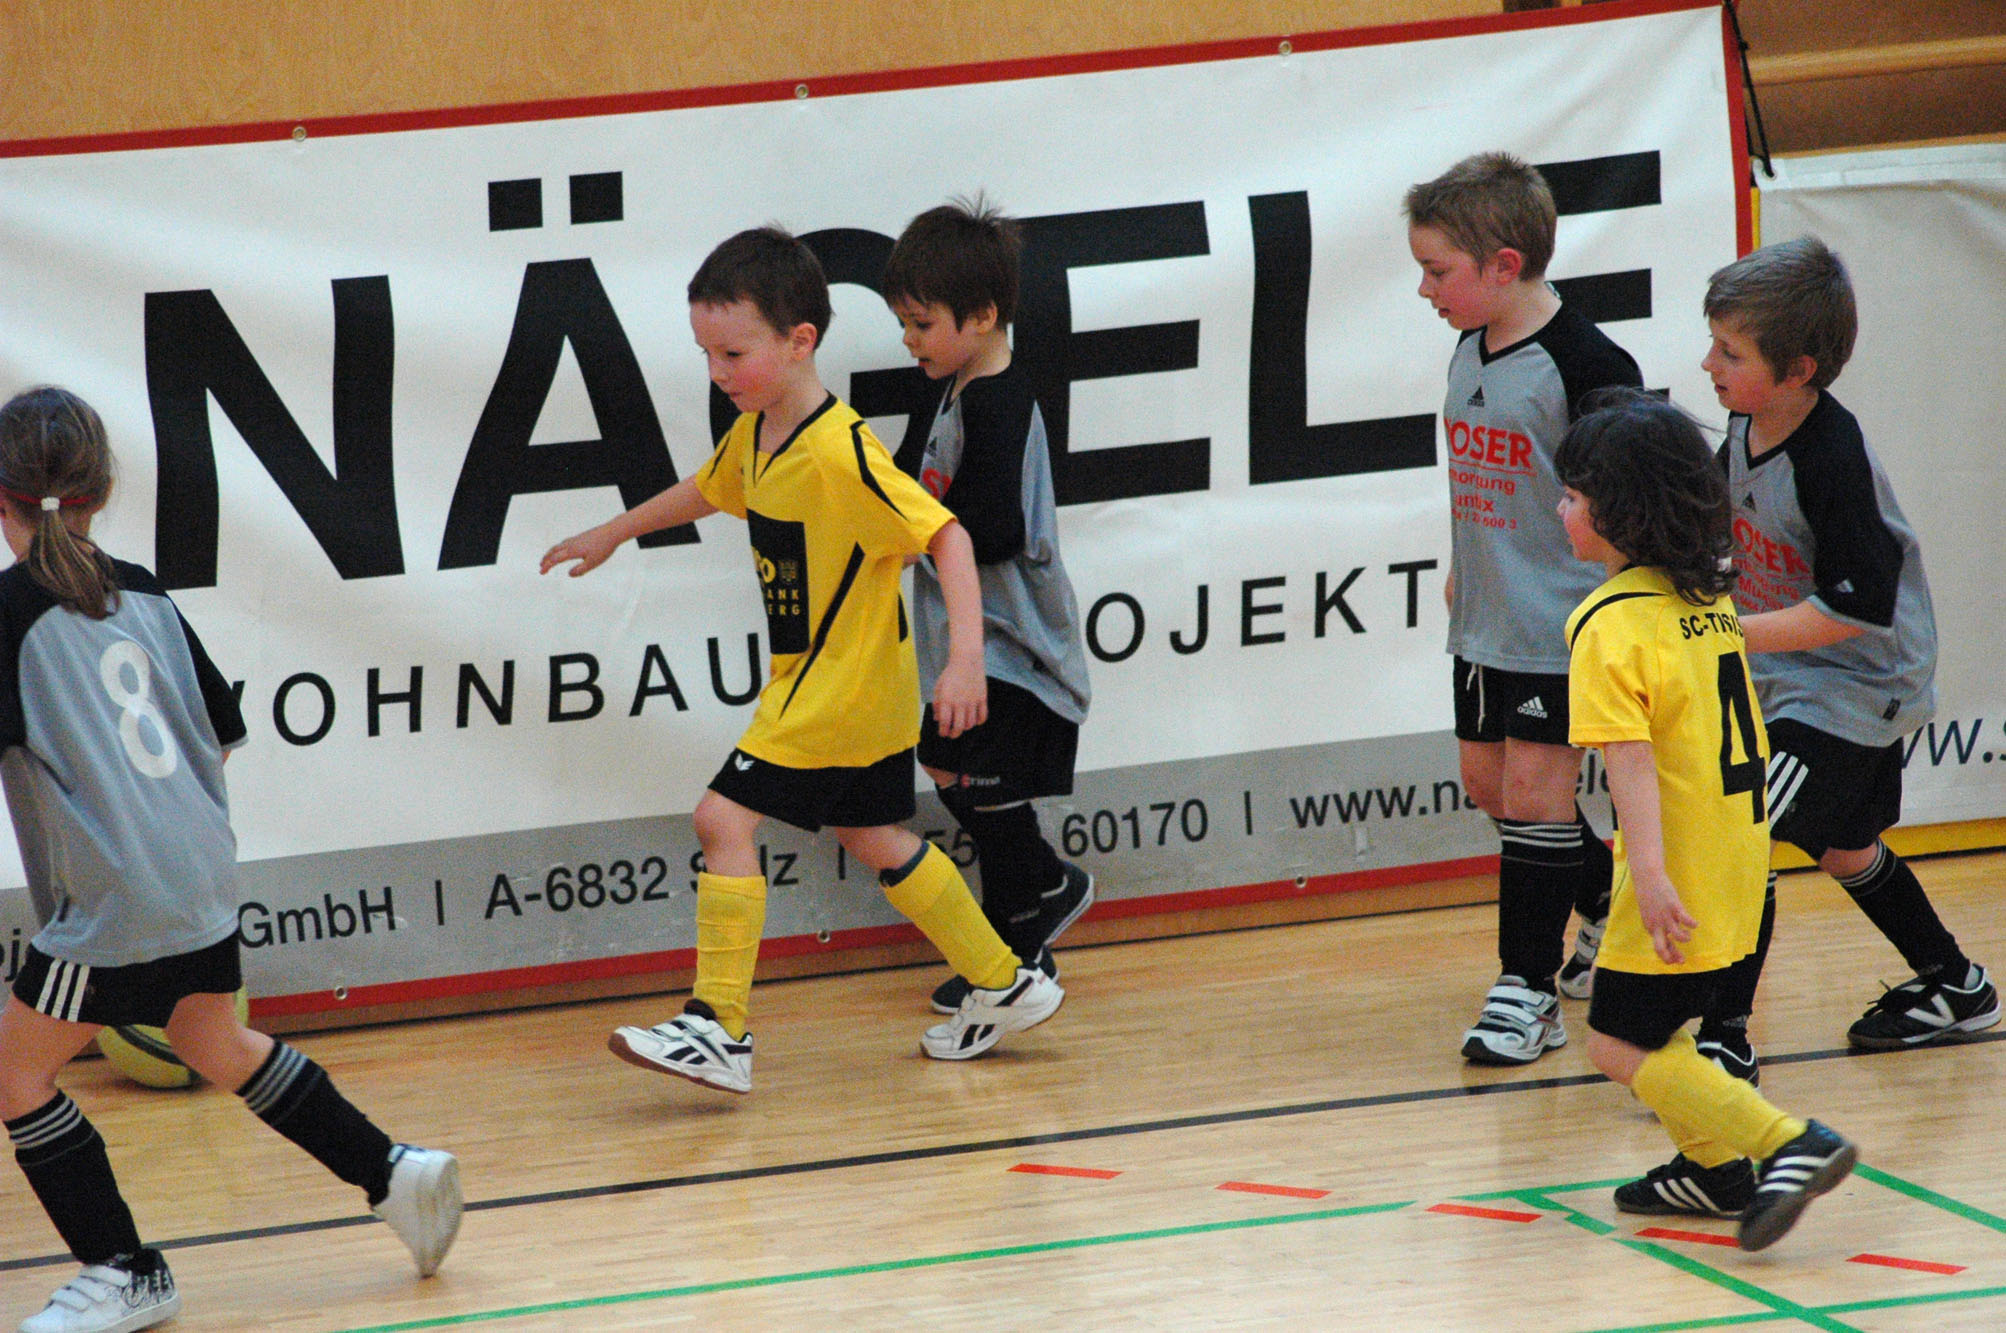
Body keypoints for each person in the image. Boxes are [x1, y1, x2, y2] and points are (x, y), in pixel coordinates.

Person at [541, 226, 1063, 1092]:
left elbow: (949, 536)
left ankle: (718, 1025)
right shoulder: (759, 434)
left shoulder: (839, 451)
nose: (718, 371)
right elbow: (709, 488)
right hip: (844, 688)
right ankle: (1005, 980)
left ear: (799, 341)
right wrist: (614, 531)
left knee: (722, 818)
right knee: (874, 834)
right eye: (707, 354)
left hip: (840, 687)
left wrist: (966, 659)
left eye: (733, 353)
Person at [0, 388, 460, 1333]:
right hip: (200, 872)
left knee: (13, 1071)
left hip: (116, 895)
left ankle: (125, 1270)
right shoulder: (148, 594)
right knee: (216, 1043)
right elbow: (220, 732)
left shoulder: (8, 616)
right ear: (103, 490)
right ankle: (393, 1172)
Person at [1676, 237, 1995, 1086]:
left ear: (1798, 371)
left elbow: (1855, 607)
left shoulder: (1832, 458)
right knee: (1846, 846)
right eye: (1713, 343)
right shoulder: (1745, 420)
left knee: (1743, 826)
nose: (1708, 364)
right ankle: (1957, 984)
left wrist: (1725, 633)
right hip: (1796, 676)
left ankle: (1724, 1035)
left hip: (1856, 683)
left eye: (1729, 352)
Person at [1560, 389, 1855, 1251]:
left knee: (1615, 1042)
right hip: (1738, 856)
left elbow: (1631, 764)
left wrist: (1649, 876)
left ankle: (1788, 1141)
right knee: (1659, 1030)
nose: (1559, 509)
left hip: (1675, 864)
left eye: (1571, 496)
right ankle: (1713, 1170)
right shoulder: (1706, 599)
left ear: (1616, 512)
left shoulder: (1607, 624)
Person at [1404, 152, 1637, 1063]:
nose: (1425, 290)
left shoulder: (1589, 365)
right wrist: (1463, 563)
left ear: (1503, 265)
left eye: (1438, 272)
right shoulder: (1471, 343)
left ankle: (1526, 989)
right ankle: (1607, 899)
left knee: (1539, 795)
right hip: (1485, 617)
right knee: (1491, 788)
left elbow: (1633, 500)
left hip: (1560, 625)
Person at [880, 198, 1094, 1015]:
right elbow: (906, 480)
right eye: (904, 324)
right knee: (948, 763)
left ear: (981, 316)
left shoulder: (1000, 399)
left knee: (970, 769)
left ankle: (1018, 944)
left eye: (922, 324)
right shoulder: (948, 383)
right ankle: (1043, 886)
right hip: (972, 635)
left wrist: (926, 529)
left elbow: (995, 528)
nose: (910, 340)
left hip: (1011, 637)